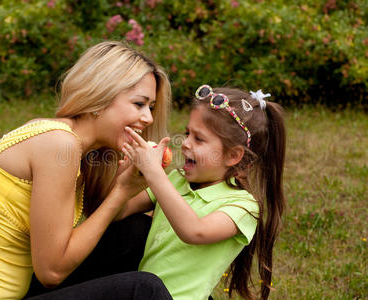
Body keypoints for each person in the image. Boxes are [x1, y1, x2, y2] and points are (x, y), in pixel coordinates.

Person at [0, 41, 173, 300]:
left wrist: (166, 185)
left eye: (151, 108)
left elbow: (114, 216)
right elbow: (51, 271)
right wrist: (121, 191)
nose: (148, 118)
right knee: (143, 290)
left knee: (133, 232)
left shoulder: (78, 148)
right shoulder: (58, 144)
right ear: (100, 97)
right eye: (139, 104)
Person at [120, 85, 286, 300]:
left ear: (233, 156)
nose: (186, 143)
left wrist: (154, 173)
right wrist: (126, 177)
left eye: (199, 139)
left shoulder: (242, 206)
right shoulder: (177, 181)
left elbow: (194, 231)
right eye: (187, 133)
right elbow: (119, 212)